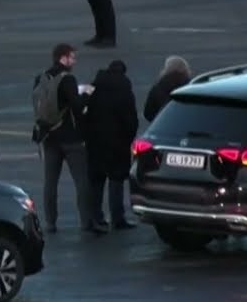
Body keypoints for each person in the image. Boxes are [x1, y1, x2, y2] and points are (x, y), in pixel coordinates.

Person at [31, 43, 102, 234]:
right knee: (81, 181)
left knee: (50, 182)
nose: (74, 61)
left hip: (48, 137)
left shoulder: (41, 78)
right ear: (63, 58)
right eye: (72, 57)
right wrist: (87, 94)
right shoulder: (67, 79)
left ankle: (50, 223)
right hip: (70, 138)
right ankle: (86, 221)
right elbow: (77, 107)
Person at [83, 59, 139, 230]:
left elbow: (82, 109)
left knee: (96, 181)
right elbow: (131, 120)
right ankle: (117, 218)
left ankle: (95, 217)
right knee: (116, 180)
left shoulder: (93, 86)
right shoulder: (124, 89)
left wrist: (87, 135)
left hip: (95, 142)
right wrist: (127, 139)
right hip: (117, 144)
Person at [144, 55, 192, 121]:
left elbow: (147, 113)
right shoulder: (190, 86)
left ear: (166, 69)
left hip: (164, 125)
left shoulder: (157, 87)